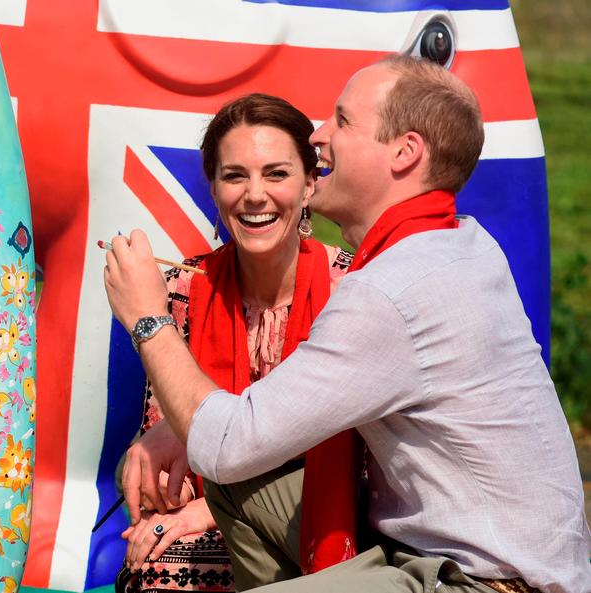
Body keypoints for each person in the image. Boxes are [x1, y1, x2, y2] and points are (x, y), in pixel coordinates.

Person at [103, 54, 591, 593]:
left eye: (343, 121)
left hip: (487, 582)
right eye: (234, 176)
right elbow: (244, 438)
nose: (318, 135)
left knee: (229, 460)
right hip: (454, 554)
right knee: (237, 477)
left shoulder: (389, 289)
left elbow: (226, 441)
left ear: (405, 152)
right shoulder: (459, 242)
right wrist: (188, 424)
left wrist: (148, 320)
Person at [115, 94, 359, 593]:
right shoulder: (184, 286)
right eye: (234, 176)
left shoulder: (352, 287)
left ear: (310, 184)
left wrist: (205, 510)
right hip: (218, 520)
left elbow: (364, 461)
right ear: (214, 187)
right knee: (156, 570)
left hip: (333, 519)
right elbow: (167, 441)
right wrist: (160, 480)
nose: (254, 194)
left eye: (276, 174)